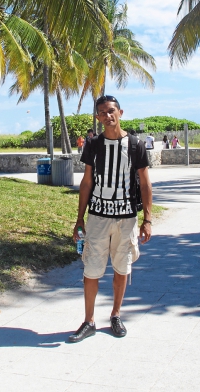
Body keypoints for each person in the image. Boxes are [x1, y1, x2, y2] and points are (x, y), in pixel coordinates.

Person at [69, 95, 153, 343]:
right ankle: (89, 321)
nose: (108, 116)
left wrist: (147, 219)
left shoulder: (136, 145)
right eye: (103, 113)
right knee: (91, 270)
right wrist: (79, 218)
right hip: (97, 216)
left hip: (126, 218)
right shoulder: (93, 146)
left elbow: (146, 183)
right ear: (97, 117)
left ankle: (116, 315)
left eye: (112, 111)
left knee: (121, 267)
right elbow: (86, 182)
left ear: (121, 112)